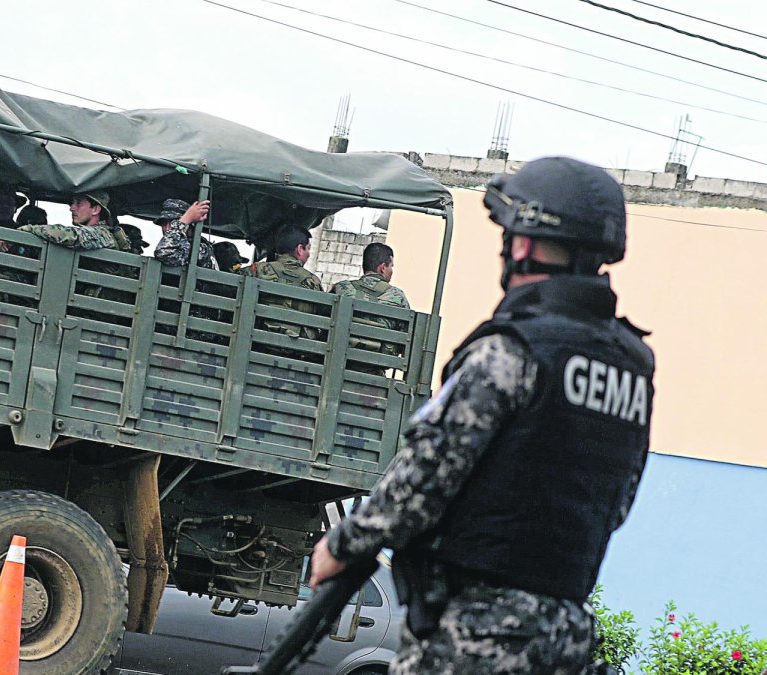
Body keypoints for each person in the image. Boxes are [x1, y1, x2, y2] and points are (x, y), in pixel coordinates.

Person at [309, 157, 655, 675]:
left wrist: (342, 544)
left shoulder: (513, 351)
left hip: (478, 635)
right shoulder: (633, 367)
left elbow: (425, 476)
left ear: (522, 244)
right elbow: (616, 503)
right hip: (566, 637)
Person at [331, 242, 411, 369]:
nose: (392, 271)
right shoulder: (398, 297)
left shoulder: (341, 288)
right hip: (375, 370)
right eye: (391, 266)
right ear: (382, 268)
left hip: (335, 363)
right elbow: (406, 341)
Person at [239, 227, 323, 342]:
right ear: (299, 249)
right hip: (298, 350)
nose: (309, 254)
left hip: (255, 342)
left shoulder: (256, 270)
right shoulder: (314, 282)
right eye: (308, 249)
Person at [19, 191, 130, 251]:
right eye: (72, 203)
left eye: (78, 203)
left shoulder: (102, 234)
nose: (72, 208)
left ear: (95, 209)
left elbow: (70, 235)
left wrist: (28, 229)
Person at [153, 199, 215, 268]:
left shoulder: (199, 247)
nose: (167, 228)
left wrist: (185, 220)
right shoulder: (182, 244)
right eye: (164, 224)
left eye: (173, 223)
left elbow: (165, 253)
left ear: (190, 225)